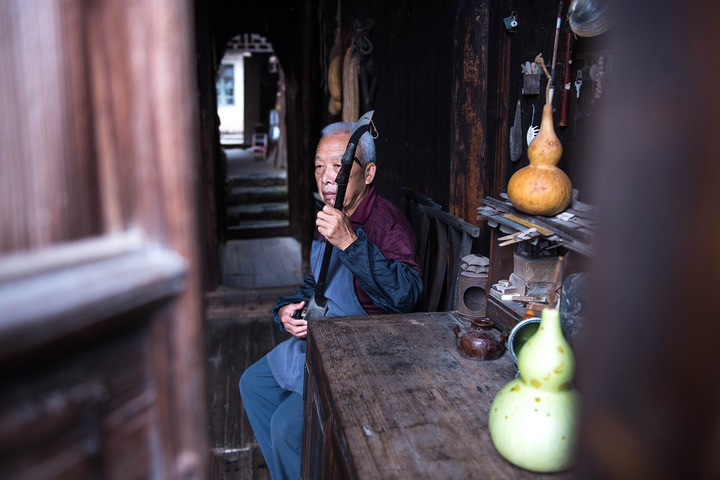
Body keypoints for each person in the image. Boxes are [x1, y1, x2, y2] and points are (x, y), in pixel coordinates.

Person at [239, 122, 422, 479]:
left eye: (339, 166)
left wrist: (350, 243)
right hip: (322, 336)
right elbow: (315, 284)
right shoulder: (333, 213)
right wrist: (285, 310)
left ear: (368, 173)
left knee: (287, 430)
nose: (326, 177)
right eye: (320, 165)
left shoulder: (386, 223)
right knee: (253, 384)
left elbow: (407, 296)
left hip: (363, 348)